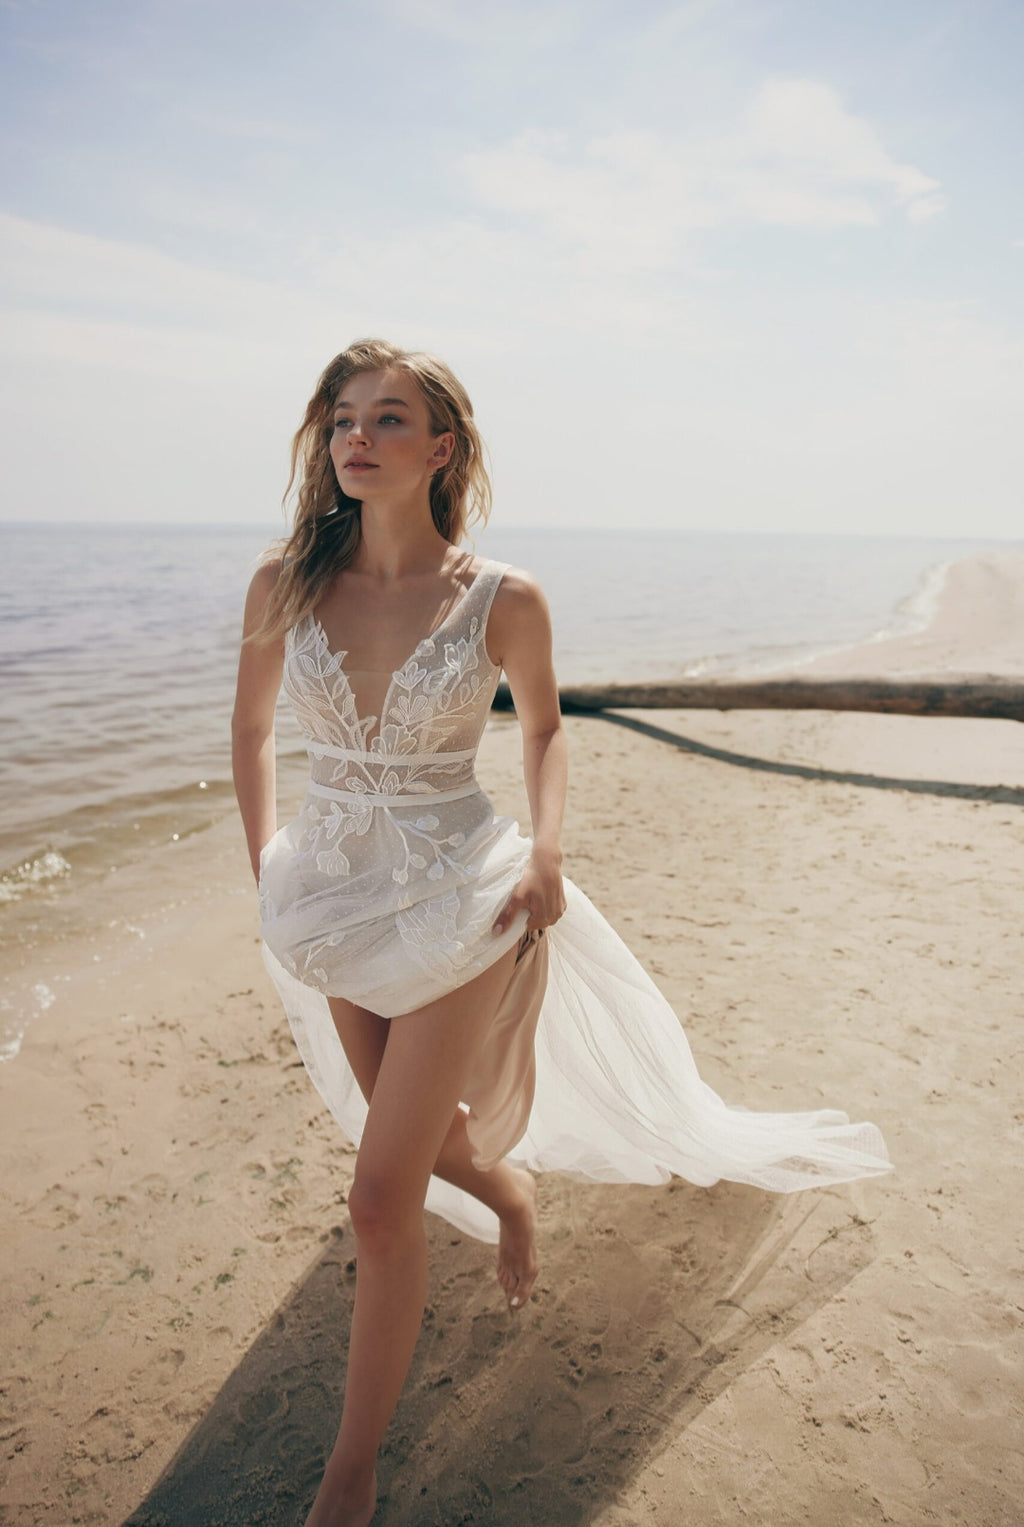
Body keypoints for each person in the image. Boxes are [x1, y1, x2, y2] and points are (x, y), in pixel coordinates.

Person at [232, 338, 890, 1527]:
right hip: (327, 897)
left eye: (388, 419)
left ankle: (352, 1468)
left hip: (458, 896)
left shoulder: (504, 598)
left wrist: (545, 851)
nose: (356, 439)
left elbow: (541, 732)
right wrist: (267, 872)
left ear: (442, 449)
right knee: (424, 1152)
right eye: (340, 420)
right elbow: (251, 734)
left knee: (378, 1198)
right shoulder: (284, 581)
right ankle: (512, 1195)